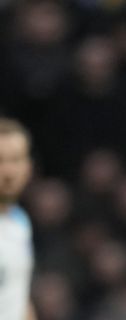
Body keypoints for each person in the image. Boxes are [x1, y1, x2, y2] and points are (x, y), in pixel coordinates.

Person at [0, 117, 37, 320]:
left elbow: (18, 296)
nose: (8, 171)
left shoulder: (21, 222)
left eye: (15, 160)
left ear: (28, 167)